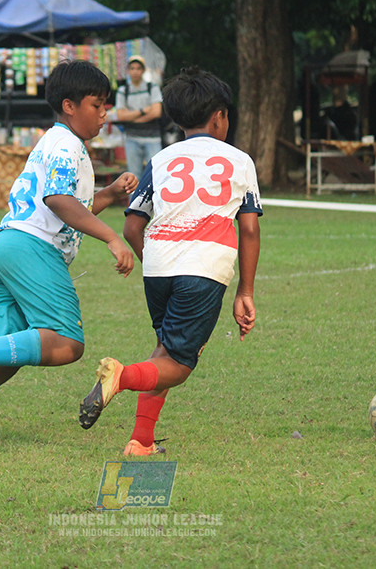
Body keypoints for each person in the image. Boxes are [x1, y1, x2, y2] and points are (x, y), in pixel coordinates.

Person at [0, 59, 138, 443]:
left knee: (5, 355)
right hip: (31, 248)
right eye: (96, 104)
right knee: (67, 342)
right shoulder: (69, 145)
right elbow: (58, 201)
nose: (104, 113)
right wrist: (113, 238)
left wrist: (109, 195)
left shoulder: (53, 141)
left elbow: (70, 209)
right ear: (69, 106)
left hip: (2, 247)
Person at [78, 67, 263, 456]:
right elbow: (248, 230)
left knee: (164, 351)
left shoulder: (161, 160)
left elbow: (132, 227)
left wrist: (156, 261)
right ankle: (122, 376)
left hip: (158, 267)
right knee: (179, 365)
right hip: (204, 270)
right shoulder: (240, 161)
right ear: (219, 117)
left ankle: (141, 440)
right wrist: (244, 290)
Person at [111, 55, 164, 176]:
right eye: (132, 68)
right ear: (128, 71)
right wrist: (143, 110)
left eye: (138, 68)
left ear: (143, 70)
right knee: (133, 176)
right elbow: (120, 116)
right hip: (132, 138)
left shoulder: (152, 87)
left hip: (153, 138)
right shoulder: (123, 91)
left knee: (155, 173)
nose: (135, 71)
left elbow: (156, 112)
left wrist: (131, 116)